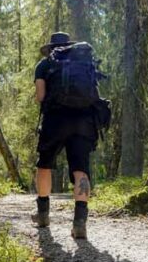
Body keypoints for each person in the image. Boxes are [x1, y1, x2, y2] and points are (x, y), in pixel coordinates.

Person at [31, 32, 98, 239]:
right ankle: (80, 223)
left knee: (44, 164)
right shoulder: (84, 62)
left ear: (50, 47)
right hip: (84, 120)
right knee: (81, 169)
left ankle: (42, 215)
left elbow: (41, 96)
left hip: (55, 119)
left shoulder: (44, 64)